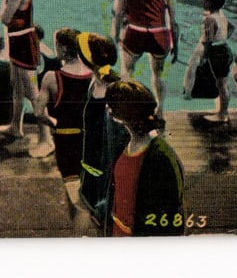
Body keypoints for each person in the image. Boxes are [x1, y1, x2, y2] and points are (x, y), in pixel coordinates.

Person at [106, 79, 185, 236]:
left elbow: (170, 214)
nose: (108, 108)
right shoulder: (125, 143)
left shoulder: (159, 156)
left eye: (112, 105)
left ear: (123, 113)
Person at [35, 28, 94, 229]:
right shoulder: (93, 76)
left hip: (66, 142)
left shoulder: (52, 78)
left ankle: (81, 233)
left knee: (74, 192)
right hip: (89, 141)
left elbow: (39, 113)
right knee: (87, 190)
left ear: (63, 49)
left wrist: (54, 124)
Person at [0, 0, 51, 155]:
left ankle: (47, 139)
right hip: (15, 41)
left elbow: (5, 18)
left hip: (25, 44)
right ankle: (15, 127)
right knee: (16, 87)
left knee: (32, 92)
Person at [112, 0, 178, 122]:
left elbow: (118, 13)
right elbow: (173, 21)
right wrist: (176, 47)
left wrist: (116, 37)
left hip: (136, 31)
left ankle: (126, 111)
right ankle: (160, 110)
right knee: (158, 75)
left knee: (127, 72)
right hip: (159, 34)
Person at [75, 32, 127, 234]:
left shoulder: (111, 92)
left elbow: (115, 143)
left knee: (104, 210)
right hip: (92, 157)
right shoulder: (94, 81)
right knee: (92, 204)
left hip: (106, 161)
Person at [183, 0, 234, 123]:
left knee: (221, 84)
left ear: (210, 3)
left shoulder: (210, 19)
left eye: (204, 0)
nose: (202, 3)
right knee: (223, 83)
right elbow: (231, 28)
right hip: (224, 48)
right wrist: (222, 37)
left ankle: (222, 115)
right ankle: (223, 111)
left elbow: (208, 41)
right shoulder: (221, 15)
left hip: (216, 52)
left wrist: (204, 58)